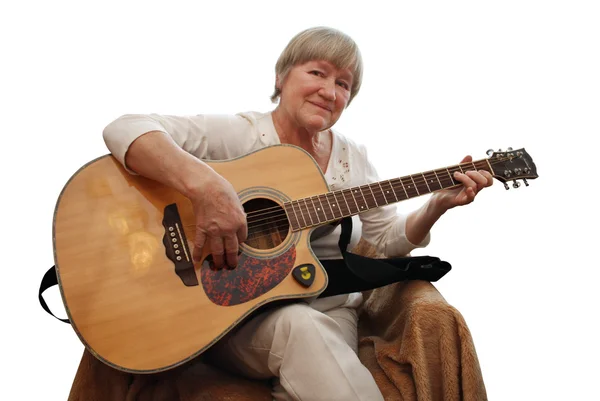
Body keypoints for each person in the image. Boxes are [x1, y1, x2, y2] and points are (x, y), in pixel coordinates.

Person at [103, 26, 493, 401]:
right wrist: (208, 188)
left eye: (343, 84)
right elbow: (126, 129)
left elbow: (385, 239)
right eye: (317, 73)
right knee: (299, 327)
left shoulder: (351, 157)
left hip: (329, 306)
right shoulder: (243, 134)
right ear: (281, 78)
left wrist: (436, 204)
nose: (329, 91)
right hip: (234, 316)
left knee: (311, 331)